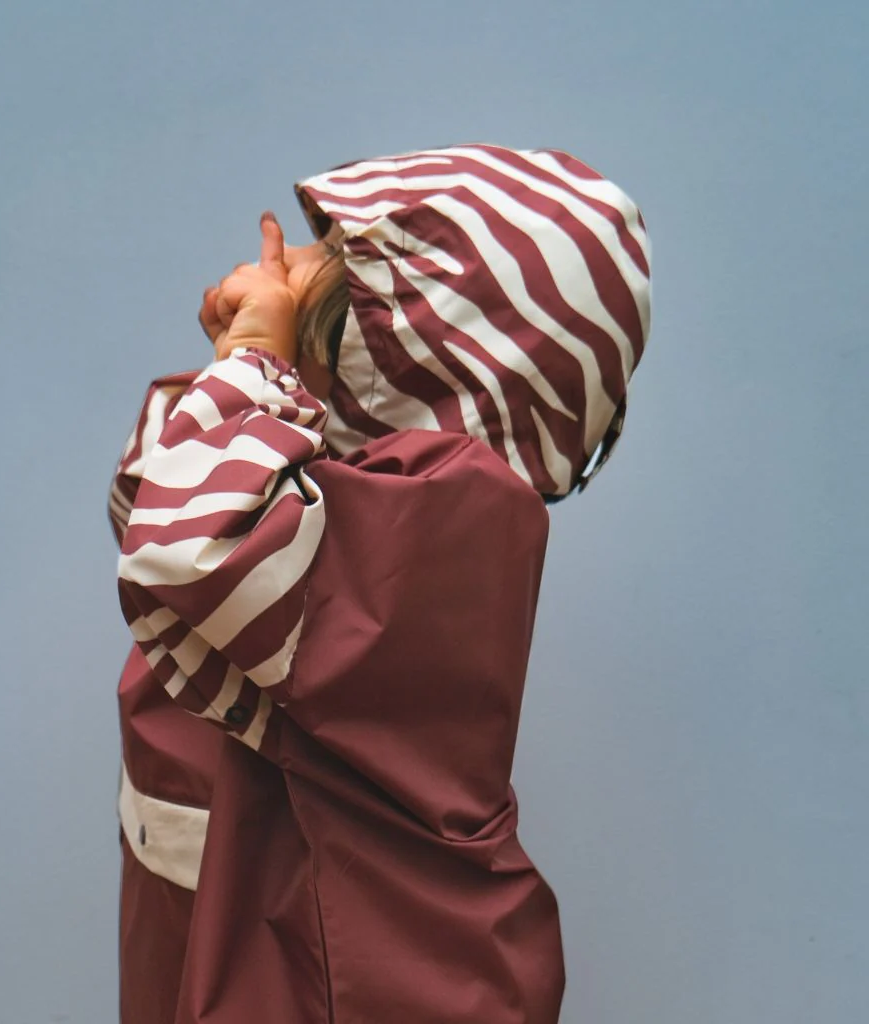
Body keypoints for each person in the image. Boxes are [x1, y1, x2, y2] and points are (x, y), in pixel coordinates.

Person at [108, 143, 652, 1024]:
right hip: (228, 926)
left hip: (341, 983)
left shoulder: (445, 520)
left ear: (408, 343)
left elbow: (188, 551)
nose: (294, 261)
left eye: (338, 252)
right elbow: (147, 513)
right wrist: (244, 375)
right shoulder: (330, 482)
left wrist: (255, 359)